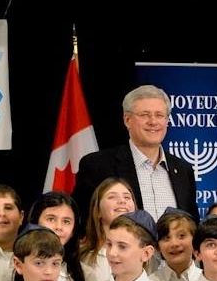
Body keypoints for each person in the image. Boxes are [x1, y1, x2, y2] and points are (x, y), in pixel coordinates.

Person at [73, 84, 197, 220]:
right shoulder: (97, 166)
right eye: (145, 115)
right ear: (127, 120)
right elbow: (83, 218)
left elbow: (192, 223)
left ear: (167, 121)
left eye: (159, 115)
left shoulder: (183, 170)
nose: (153, 122)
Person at [28, 191, 87, 281]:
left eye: (66, 221)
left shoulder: (83, 271)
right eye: (51, 219)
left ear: (73, 230)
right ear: (35, 222)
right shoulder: (17, 264)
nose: (58, 227)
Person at [79, 177, 136, 281]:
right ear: (98, 211)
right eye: (112, 197)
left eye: (127, 197)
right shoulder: (82, 257)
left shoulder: (147, 254)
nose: (122, 201)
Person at [150, 208, 201, 281]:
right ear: (157, 246)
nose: (174, 244)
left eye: (181, 236)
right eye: (166, 238)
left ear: (195, 239)